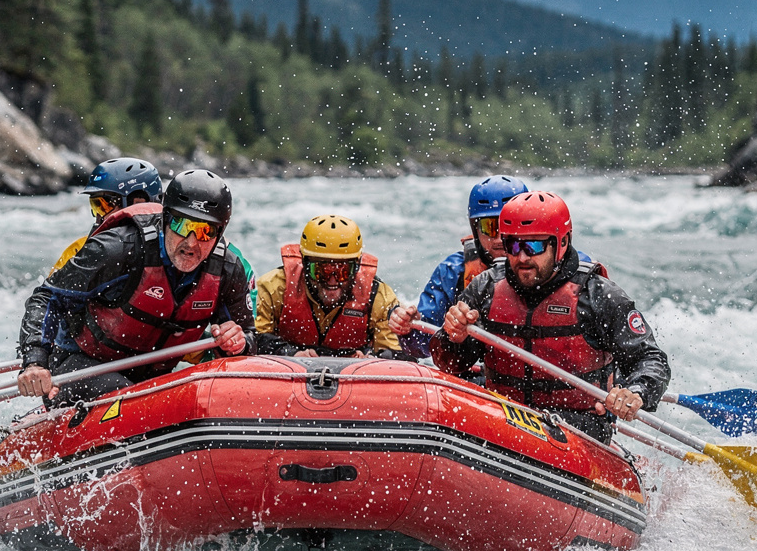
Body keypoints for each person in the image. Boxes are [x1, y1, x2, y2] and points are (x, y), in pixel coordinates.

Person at [432, 190, 669, 443]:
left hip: (577, 426)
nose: (522, 257)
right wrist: (453, 338)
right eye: (513, 245)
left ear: (561, 243)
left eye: (533, 246)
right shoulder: (485, 288)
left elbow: (650, 359)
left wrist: (636, 391)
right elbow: (450, 364)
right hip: (502, 415)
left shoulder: (597, 295)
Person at [17, 169, 252, 405]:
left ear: (219, 233)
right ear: (165, 219)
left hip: (151, 378)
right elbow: (47, 298)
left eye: (205, 231)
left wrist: (238, 342)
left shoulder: (227, 270)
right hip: (82, 366)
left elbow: (249, 337)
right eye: (181, 224)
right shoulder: (118, 249)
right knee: (128, 396)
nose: (191, 243)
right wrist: (35, 361)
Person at [390, 175, 604, 356]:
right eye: (489, 227)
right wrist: (410, 329)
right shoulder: (453, 271)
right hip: (485, 379)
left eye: (508, 226)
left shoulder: (574, 271)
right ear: (475, 230)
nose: (500, 238)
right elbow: (423, 347)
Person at [253, 214, 408, 359]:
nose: (332, 281)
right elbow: (255, 339)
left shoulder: (379, 297)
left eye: (343, 272)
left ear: (356, 267)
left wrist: (372, 359)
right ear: (305, 264)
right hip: (290, 368)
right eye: (321, 271)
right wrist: (291, 353)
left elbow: (397, 355)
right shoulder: (273, 287)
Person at [51, 157, 165, 272]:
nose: (100, 217)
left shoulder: (171, 247)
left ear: (137, 203)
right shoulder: (78, 251)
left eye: (105, 205)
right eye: (96, 205)